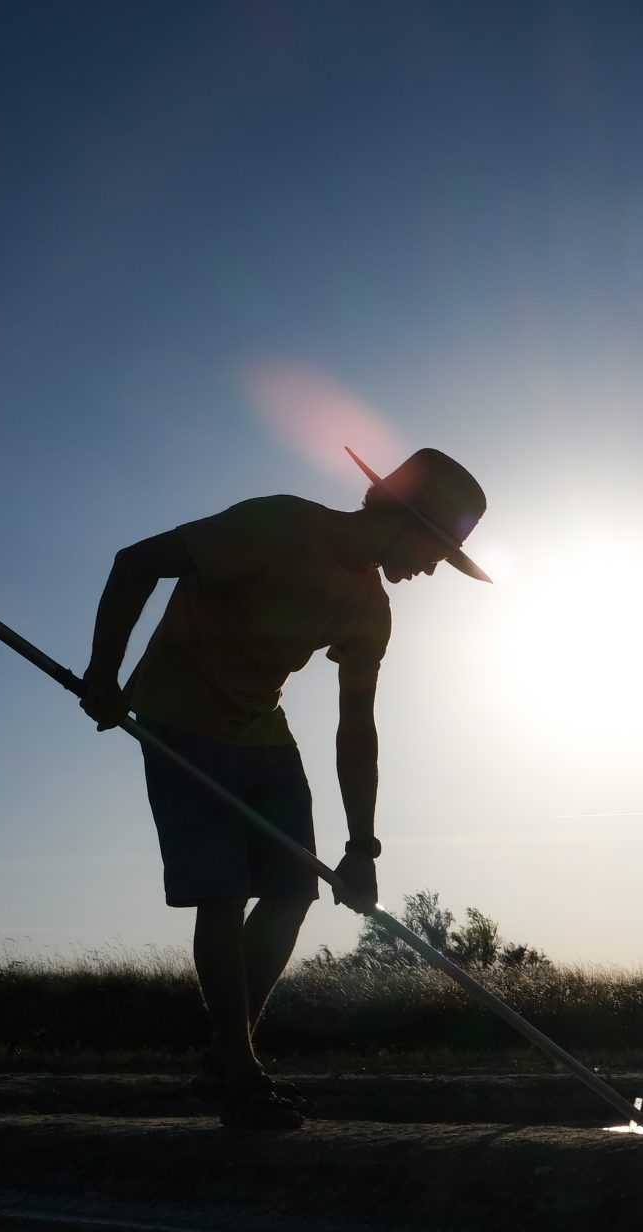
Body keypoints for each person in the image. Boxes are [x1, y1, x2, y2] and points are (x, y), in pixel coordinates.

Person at [77, 447, 490, 1128]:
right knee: (221, 894)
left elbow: (357, 728)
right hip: (181, 718)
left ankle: (222, 1058)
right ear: (406, 523)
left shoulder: (371, 612)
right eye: (437, 551)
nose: (430, 569)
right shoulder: (277, 526)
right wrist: (103, 674)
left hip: (263, 735)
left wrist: (363, 845)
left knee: (292, 890)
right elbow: (136, 562)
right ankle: (238, 1068)